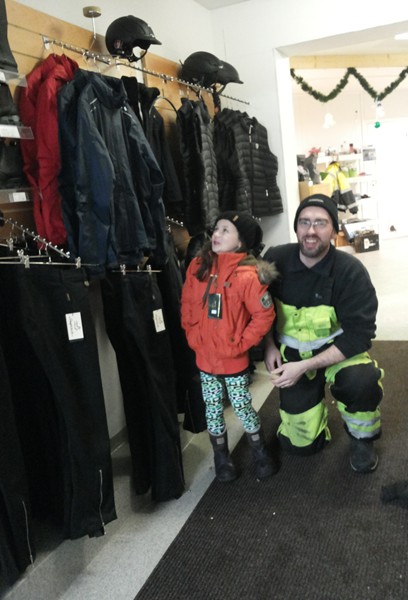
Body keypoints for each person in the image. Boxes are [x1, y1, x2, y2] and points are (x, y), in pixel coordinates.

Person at [263, 193, 384, 473]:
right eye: (304, 222)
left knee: (361, 381)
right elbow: (259, 308)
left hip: (338, 351)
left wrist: (305, 366)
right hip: (293, 356)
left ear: (334, 230)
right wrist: (268, 345)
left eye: (320, 222)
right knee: (300, 447)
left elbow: (360, 335)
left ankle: (362, 439)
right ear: (296, 227)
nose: (311, 230)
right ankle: (310, 415)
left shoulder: (351, 272)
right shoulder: (275, 259)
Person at [181, 211, 278, 482]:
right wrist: (192, 334)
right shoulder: (198, 266)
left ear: (241, 242)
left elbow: (264, 315)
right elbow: (187, 303)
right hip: (205, 358)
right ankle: (221, 457)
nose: (216, 234)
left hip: (234, 359)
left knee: (242, 405)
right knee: (212, 408)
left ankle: (259, 451)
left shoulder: (248, 276)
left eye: (225, 230)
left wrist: (242, 343)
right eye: (216, 229)